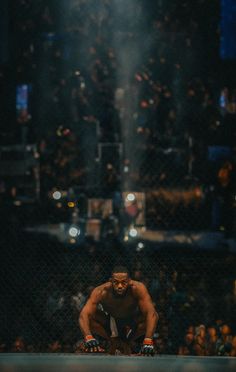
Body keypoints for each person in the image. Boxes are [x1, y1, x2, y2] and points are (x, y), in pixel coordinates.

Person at [79, 265, 158, 355]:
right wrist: (88, 337)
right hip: (110, 323)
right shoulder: (101, 291)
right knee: (88, 317)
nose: (120, 286)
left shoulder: (138, 288)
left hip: (132, 323)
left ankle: (125, 342)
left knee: (152, 316)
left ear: (129, 281)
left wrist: (148, 340)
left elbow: (152, 314)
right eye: (116, 282)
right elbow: (83, 315)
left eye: (123, 282)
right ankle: (114, 340)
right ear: (110, 281)